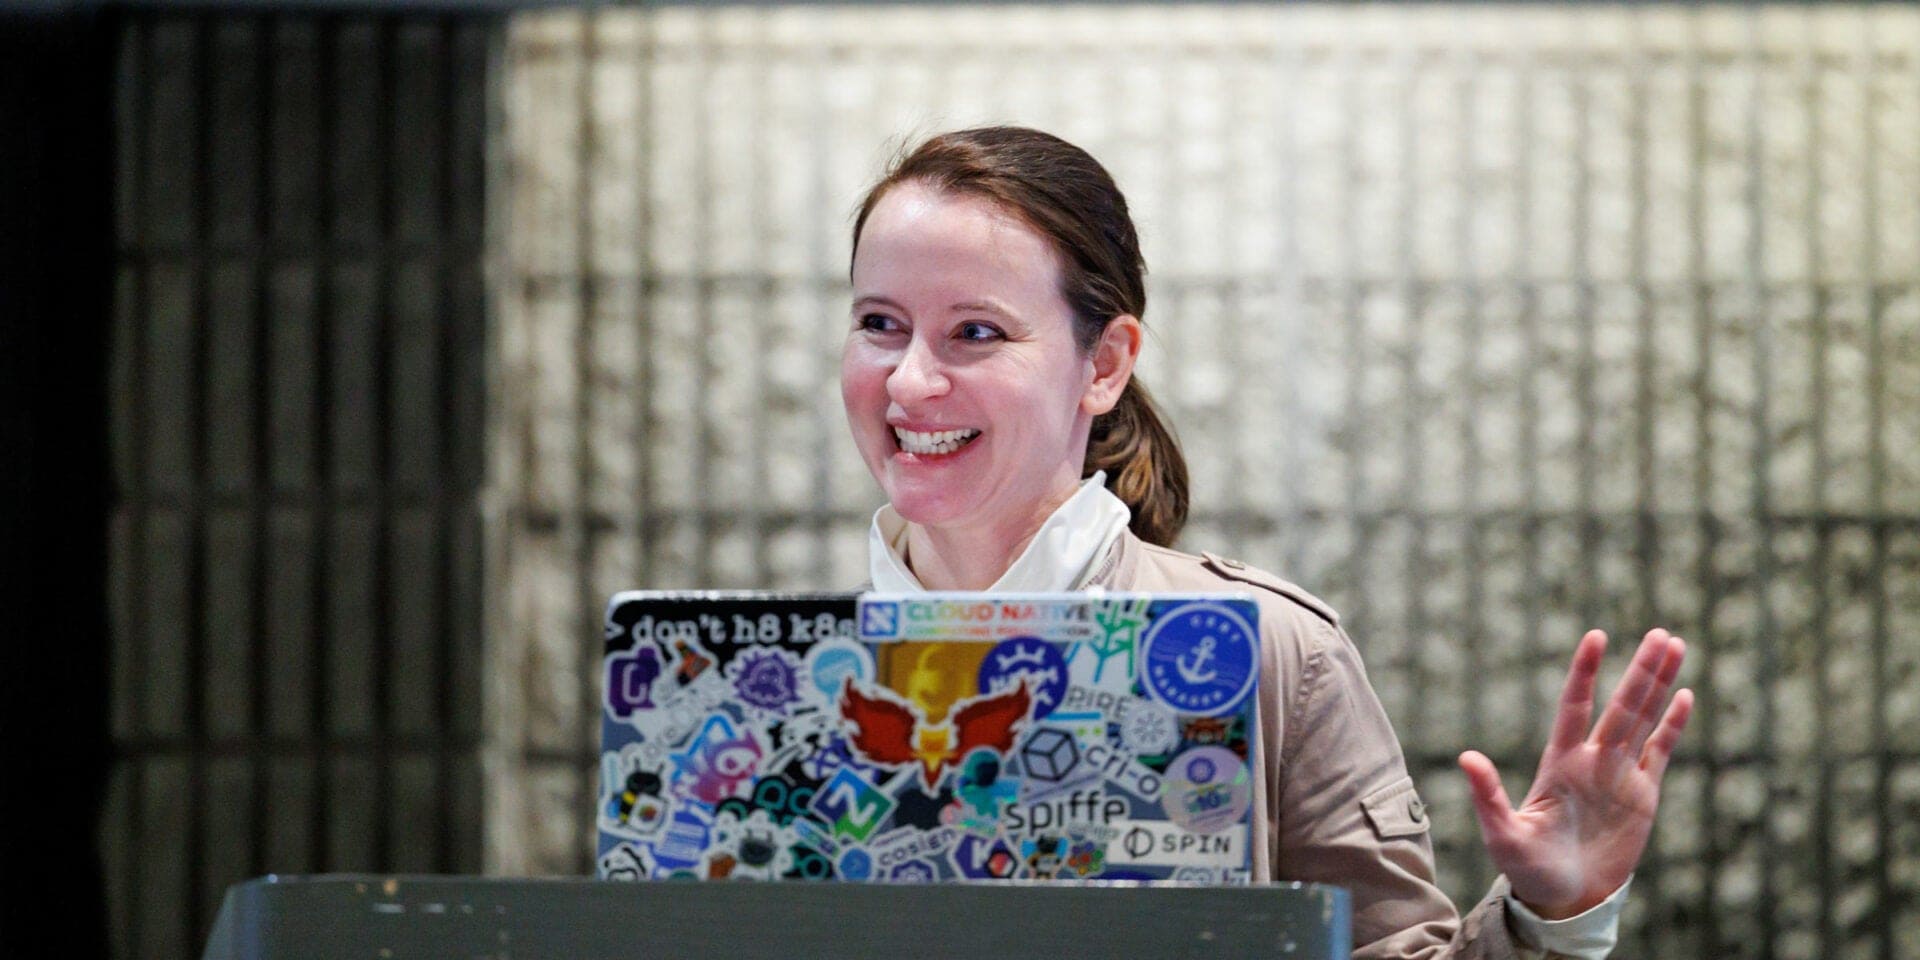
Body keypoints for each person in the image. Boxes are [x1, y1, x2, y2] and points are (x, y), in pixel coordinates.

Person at [840, 126, 1693, 959]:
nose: (911, 380)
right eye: (880, 323)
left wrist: (1551, 917)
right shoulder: (773, 682)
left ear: (1103, 365)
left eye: (976, 333)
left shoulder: (1264, 653)